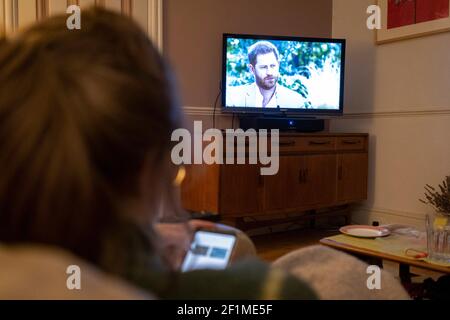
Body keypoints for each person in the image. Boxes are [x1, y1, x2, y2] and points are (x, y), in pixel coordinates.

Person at [0, 9, 316, 300]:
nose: (271, 71)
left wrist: (151, 237)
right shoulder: (268, 292)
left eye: (275, 64)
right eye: (264, 65)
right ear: (157, 162)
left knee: (235, 239)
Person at [226, 41, 307, 108]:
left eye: (273, 66)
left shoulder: (295, 101)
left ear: (278, 64)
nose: (269, 72)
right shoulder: (235, 97)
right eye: (263, 67)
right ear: (252, 69)